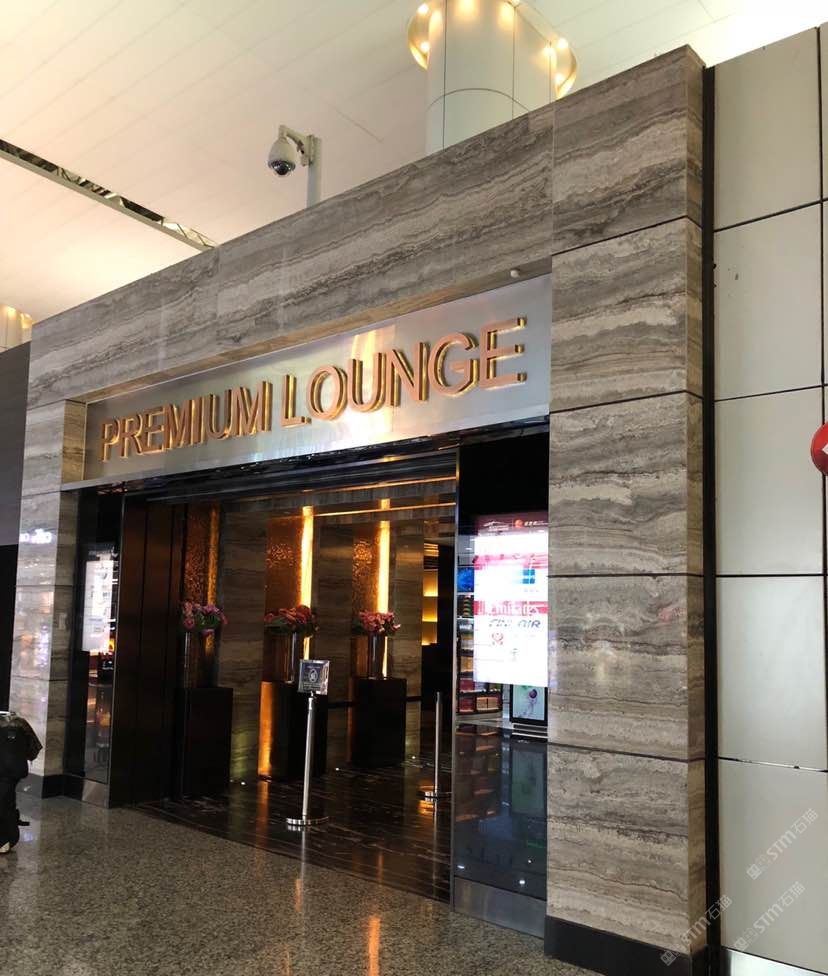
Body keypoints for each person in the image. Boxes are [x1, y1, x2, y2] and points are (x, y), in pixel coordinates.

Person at [0, 711, 42, 854]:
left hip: (4, 770)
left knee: (4, 801)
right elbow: (34, 749)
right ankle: (9, 836)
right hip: (16, 770)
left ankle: (4, 840)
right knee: (7, 799)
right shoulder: (21, 722)